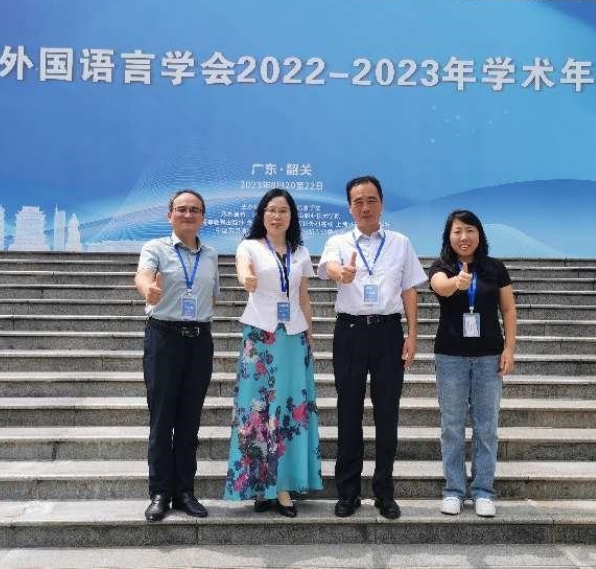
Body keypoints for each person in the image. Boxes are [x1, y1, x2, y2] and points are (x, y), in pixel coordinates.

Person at [317, 175, 427, 520]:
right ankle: (348, 493)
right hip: (349, 332)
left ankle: (384, 492)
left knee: (387, 413)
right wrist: (341, 273)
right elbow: (329, 267)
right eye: (358, 202)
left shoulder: (400, 243)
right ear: (350, 207)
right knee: (348, 412)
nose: (365, 207)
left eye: (371, 200)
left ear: (382, 203)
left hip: (388, 333)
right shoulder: (338, 241)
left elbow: (409, 289)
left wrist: (412, 334)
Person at [224, 188, 322, 518]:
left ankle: (283, 487)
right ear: (262, 215)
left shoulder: (300, 252)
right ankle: (260, 486)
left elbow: (303, 296)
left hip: (293, 338)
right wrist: (246, 278)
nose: (276, 216)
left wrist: (310, 332)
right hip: (260, 338)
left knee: (289, 409)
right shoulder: (249, 246)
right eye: (270, 210)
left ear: (291, 216)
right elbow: (243, 270)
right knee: (257, 409)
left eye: (282, 210)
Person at [135, 189, 220, 522]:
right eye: (182, 209)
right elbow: (143, 276)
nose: (188, 214)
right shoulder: (155, 248)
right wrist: (149, 289)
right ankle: (159, 493)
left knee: (189, 420)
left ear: (203, 217)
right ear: (170, 215)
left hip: (198, 341)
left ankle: (185, 491)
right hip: (164, 339)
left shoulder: (211, 255)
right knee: (162, 419)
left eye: (195, 210)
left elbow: (212, 298)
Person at [428, 209, 517, 518]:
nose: (464, 237)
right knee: (452, 426)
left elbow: (508, 310)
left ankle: (483, 491)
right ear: (448, 236)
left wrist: (509, 349)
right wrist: (457, 283)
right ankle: (453, 490)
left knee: (486, 427)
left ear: (479, 234)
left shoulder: (495, 268)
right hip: (450, 356)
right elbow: (439, 286)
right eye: (457, 231)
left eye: (470, 230)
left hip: (489, 357)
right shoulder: (441, 266)